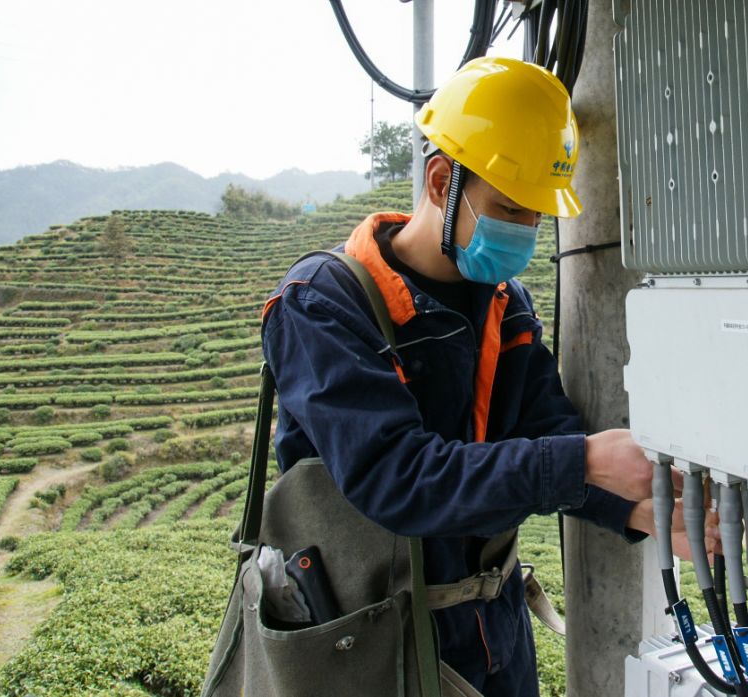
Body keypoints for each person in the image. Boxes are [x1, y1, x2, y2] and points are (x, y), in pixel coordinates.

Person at [261, 56, 714, 696]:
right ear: (442, 180)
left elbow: (546, 431)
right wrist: (585, 460)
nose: (526, 231)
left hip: (495, 633)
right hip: (374, 640)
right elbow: (399, 479)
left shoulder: (505, 303)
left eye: (536, 213)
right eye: (509, 206)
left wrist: (645, 511)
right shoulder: (324, 304)